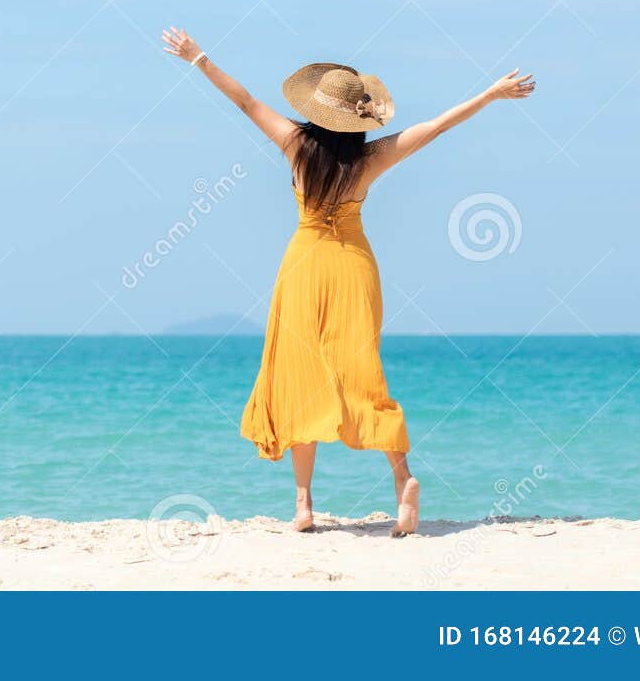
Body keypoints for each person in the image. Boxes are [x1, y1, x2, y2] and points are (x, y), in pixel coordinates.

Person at [160, 27, 536, 536]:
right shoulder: (369, 158)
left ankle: (303, 504)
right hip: (355, 268)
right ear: (359, 117)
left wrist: (197, 57)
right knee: (363, 374)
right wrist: (491, 94)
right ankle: (402, 481)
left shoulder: (295, 143)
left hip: (304, 266)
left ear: (316, 110)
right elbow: (435, 126)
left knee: (299, 374)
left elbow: (245, 100)